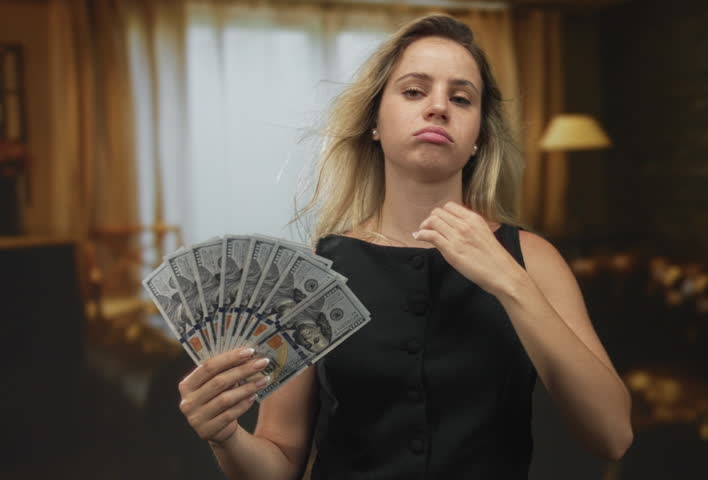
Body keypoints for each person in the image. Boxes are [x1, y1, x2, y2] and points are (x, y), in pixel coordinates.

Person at [176, 14, 633, 479]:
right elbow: (278, 463)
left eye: (461, 98)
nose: (438, 108)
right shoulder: (314, 273)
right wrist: (226, 437)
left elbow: (612, 435)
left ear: (478, 137)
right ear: (375, 120)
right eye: (414, 91)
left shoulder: (532, 259)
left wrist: (510, 282)